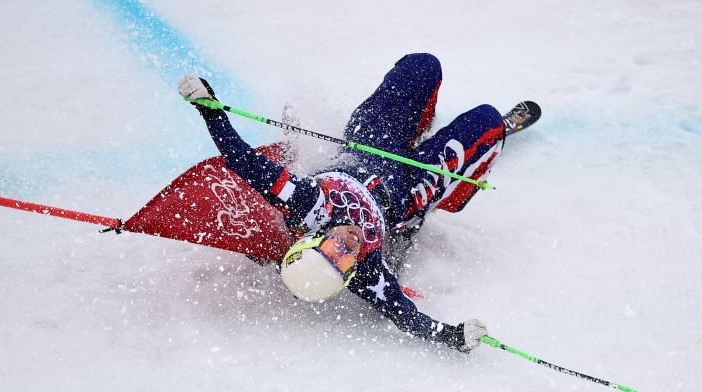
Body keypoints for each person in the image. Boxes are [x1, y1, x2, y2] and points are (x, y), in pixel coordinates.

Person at [179, 53, 511, 353]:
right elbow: (408, 318)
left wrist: (208, 108)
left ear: (314, 238)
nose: (350, 246)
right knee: (488, 120)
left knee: (424, 65)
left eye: (335, 248)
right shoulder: (368, 271)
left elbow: (241, 160)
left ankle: (418, 127)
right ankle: (447, 196)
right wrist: (453, 337)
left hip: (371, 139)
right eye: (346, 262)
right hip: (408, 189)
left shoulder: (306, 202)